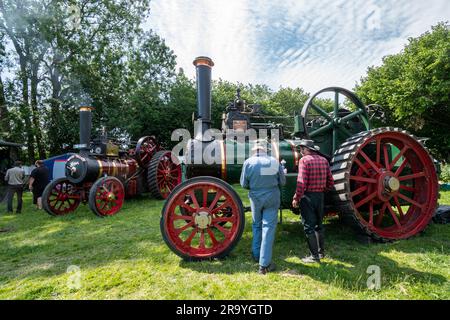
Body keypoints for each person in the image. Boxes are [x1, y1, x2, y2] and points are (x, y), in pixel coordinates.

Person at [240, 140, 286, 274]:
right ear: (265, 150)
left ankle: (256, 255)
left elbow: (243, 184)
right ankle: (264, 264)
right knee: (268, 228)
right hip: (272, 196)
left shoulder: (248, 162)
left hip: (255, 197)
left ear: (255, 150)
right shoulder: (274, 161)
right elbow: (282, 182)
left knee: (256, 225)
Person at [292, 140, 334, 263]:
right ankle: (321, 253)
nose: (301, 152)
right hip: (320, 196)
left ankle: (314, 256)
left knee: (309, 227)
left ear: (307, 149)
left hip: (308, 197)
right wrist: (322, 190)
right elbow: (330, 182)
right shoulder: (324, 160)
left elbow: (301, 182)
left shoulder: (304, 161)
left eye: (302, 149)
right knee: (319, 225)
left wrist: (296, 197)